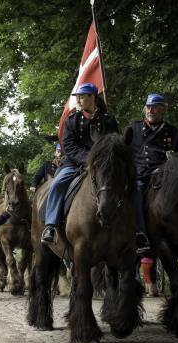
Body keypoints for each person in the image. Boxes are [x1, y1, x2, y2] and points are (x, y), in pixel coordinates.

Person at [41, 82, 119, 244]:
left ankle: (136, 229)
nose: (79, 100)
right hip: (74, 163)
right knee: (57, 184)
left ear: (93, 97)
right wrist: (88, 159)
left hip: (103, 164)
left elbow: (115, 142)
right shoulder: (72, 120)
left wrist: (103, 159)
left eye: (82, 97)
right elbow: (69, 146)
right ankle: (51, 225)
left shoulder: (108, 120)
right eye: (78, 97)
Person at [125, 93, 178, 254]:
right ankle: (140, 234)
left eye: (156, 107)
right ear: (145, 109)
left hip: (166, 176)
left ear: (163, 109)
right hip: (141, 175)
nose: (151, 110)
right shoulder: (133, 129)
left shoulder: (173, 132)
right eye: (149, 107)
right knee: (135, 191)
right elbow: (122, 153)